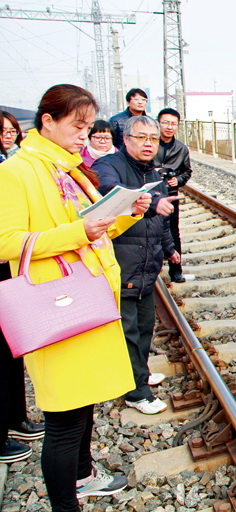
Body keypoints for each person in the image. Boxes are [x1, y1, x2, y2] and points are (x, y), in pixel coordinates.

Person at [0, 84, 146, 509]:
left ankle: (83, 476)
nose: (85, 134)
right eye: (77, 126)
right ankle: (66, 504)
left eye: (88, 126)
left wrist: (122, 215)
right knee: (64, 418)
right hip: (55, 308)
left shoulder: (65, 168)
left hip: (85, 299)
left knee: (83, 407)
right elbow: (6, 241)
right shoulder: (17, 171)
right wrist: (77, 232)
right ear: (47, 121)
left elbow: (89, 230)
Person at [94, 116, 180, 415]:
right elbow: (108, 189)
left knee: (144, 328)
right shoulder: (109, 166)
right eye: (141, 137)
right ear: (126, 139)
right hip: (122, 263)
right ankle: (136, 392)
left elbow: (162, 217)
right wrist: (151, 200)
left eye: (153, 139)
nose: (148, 144)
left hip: (147, 264)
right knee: (128, 330)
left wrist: (169, 249)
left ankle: (139, 374)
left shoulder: (152, 171)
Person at [1, 113, 45, 465]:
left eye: (11, 130)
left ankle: (15, 419)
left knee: (12, 353)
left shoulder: (12, 164)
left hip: (9, 275)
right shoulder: (11, 171)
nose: (7, 135)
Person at [152, 108, 192, 283]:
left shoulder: (181, 149)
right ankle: (153, 267)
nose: (169, 127)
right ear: (158, 123)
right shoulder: (150, 142)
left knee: (173, 232)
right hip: (151, 195)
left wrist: (178, 179)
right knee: (150, 230)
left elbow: (187, 171)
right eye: (165, 123)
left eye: (173, 124)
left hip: (171, 194)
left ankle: (176, 270)